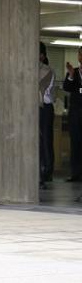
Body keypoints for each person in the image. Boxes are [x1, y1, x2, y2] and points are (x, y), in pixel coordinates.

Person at [62, 46, 82, 183]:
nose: (81, 57)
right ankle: (75, 173)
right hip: (75, 114)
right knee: (75, 144)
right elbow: (67, 88)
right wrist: (70, 76)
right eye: (80, 54)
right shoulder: (73, 72)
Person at [38, 42, 55, 189]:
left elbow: (42, 92)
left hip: (45, 108)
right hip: (34, 108)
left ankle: (46, 171)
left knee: (45, 140)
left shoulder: (47, 71)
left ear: (42, 56)